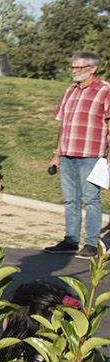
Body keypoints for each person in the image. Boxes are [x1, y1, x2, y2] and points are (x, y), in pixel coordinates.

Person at [46, 52, 110, 257]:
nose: (74, 71)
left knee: (91, 198)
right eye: (72, 67)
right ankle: (71, 240)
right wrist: (57, 153)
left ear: (93, 69)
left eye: (79, 68)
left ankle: (91, 243)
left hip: (92, 154)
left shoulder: (105, 90)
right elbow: (63, 123)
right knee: (70, 199)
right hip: (67, 153)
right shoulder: (70, 91)